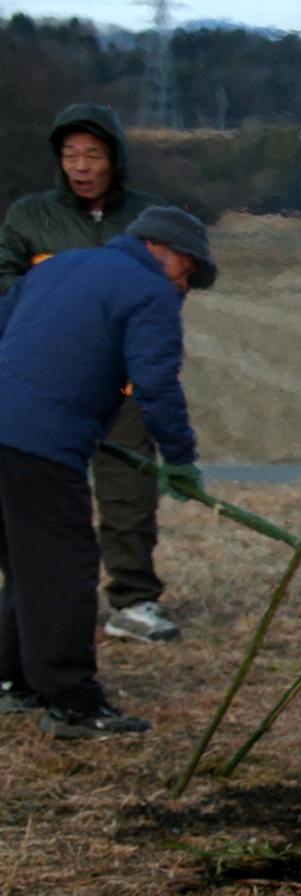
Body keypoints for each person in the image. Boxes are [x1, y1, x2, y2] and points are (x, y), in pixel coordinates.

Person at [0, 206, 216, 738]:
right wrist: (181, 459)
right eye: (189, 275)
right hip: (38, 443)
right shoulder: (151, 293)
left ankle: (13, 680)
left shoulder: (58, 266)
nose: (186, 287)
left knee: (26, 564)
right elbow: (156, 387)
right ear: (169, 255)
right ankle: (72, 702)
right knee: (64, 566)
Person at [0, 103, 180, 643]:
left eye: (93, 155)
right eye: (70, 154)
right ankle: (29, 599)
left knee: (129, 487)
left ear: (115, 160)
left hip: (120, 381)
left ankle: (134, 599)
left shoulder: (148, 219)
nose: (80, 165)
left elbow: (170, 286)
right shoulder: (29, 216)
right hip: (46, 386)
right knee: (42, 495)